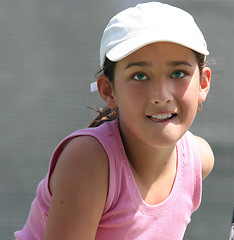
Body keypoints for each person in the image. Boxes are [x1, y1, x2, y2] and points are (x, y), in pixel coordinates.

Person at [15, 2, 214, 239]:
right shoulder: (88, 160)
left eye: (178, 73)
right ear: (109, 91)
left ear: (202, 84)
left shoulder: (199, 159)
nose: (161, 96)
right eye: (139, 76)